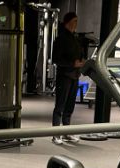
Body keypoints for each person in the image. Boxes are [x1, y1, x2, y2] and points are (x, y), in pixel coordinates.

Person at [51, 12, 83, 145]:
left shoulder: (74, 39)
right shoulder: (60, 39)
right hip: (64, 76)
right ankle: (55, 135)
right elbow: (56, 59)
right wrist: (72, 64)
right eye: (74, 21)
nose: (76, 24)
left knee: (69, 106)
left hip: (74, 76)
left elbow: (77, 57)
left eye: (77, 21)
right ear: (67, 22)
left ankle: (66, 132)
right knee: (60, 106)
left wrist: (81, 63)